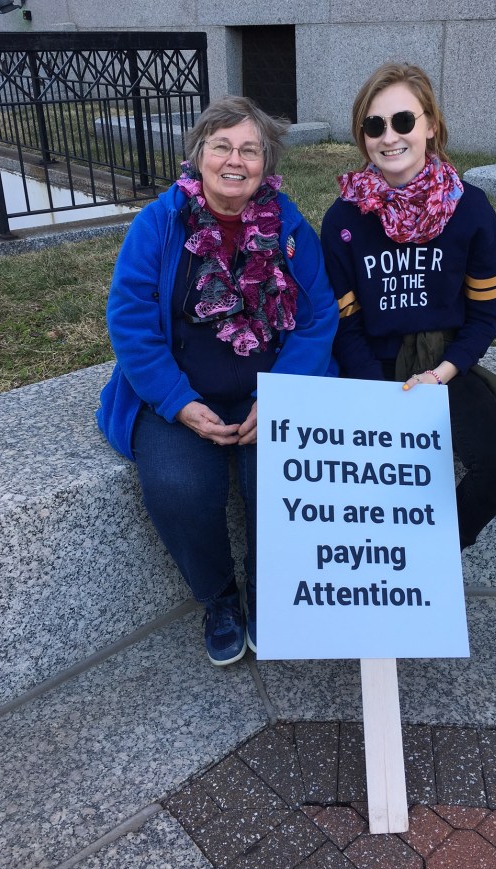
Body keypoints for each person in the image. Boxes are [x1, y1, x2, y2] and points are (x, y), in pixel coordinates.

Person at [97, 96, 337, 665]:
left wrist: (276, 398)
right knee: (179, 486)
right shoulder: (160, 222)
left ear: (266, 163)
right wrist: (177, 402)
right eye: (222, 145)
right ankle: (220, 600)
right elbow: (129, 318)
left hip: (268, 391)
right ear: (199, 153)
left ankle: (269, 593)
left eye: (250, 149)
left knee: (284, 480)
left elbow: (318, 316)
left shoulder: (290, 227)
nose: (236, 159)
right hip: (180, 394)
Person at [321, 63, 496, 550]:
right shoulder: (342, 218)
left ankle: (424, 558)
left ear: (430, 125)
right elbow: (344, 325)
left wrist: (441, 375)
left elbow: (483, 317)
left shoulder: (471, 210)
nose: (389, 137)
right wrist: (379, 395)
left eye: (404, 121)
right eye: (374, 125)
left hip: (441, 367)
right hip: (368, 366)